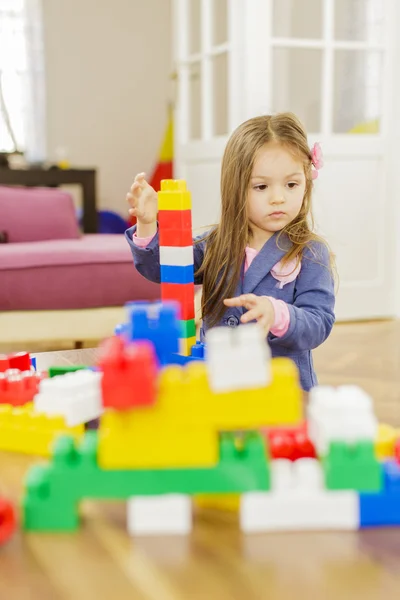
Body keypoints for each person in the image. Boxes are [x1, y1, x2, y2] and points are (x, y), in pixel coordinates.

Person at [125, 112, 335, 391]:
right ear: (236, 188)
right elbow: (163, 270)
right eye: (261, 186)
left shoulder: (310, 252)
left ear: (306, 182)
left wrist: (277, 314)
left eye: (292, 184)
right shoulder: (216, 243)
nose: (278, 197)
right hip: (219, 387)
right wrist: (148, 224)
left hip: (281, 392)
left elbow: (318, 322)